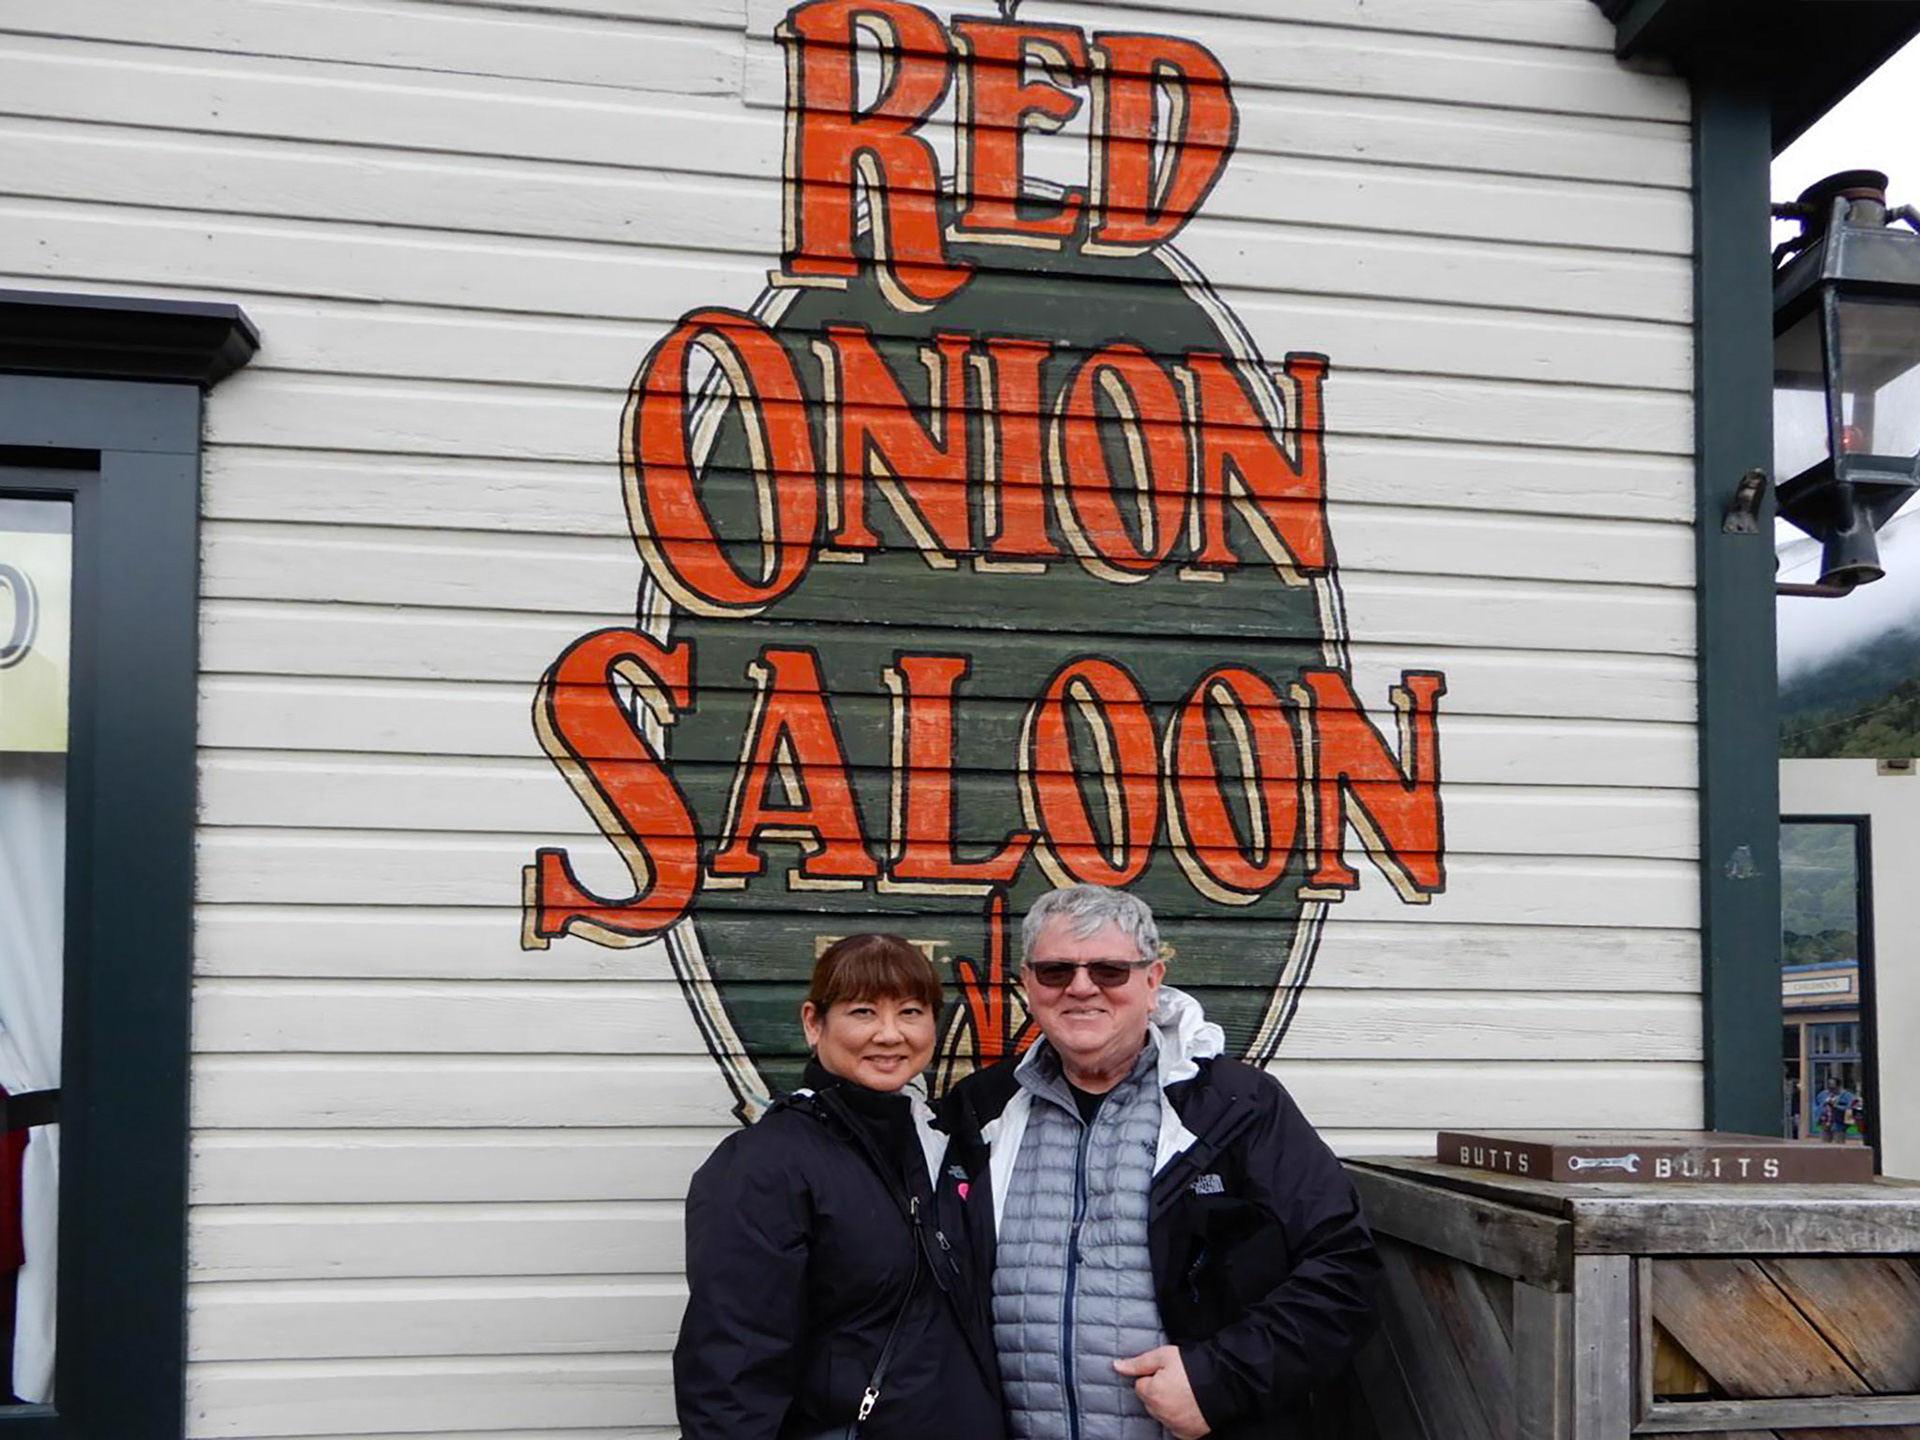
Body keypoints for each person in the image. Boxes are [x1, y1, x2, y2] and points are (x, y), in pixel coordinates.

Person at [943, 884, 1379, 1440]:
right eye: (1056, 971)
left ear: (1152, 983)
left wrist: (1219, 1380)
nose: (1081, 988)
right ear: (1028, 985)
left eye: (1109, 971)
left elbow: (1344, 1269)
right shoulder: (982, 1109)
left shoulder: (1236, 1106)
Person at [673, 934, 1004, 1440]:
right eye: (864, 1012)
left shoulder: (945, 1145)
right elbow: (731, 1369)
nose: (890, 1035)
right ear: (814, 1023)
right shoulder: (765, 1166)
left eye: (911, 1012)